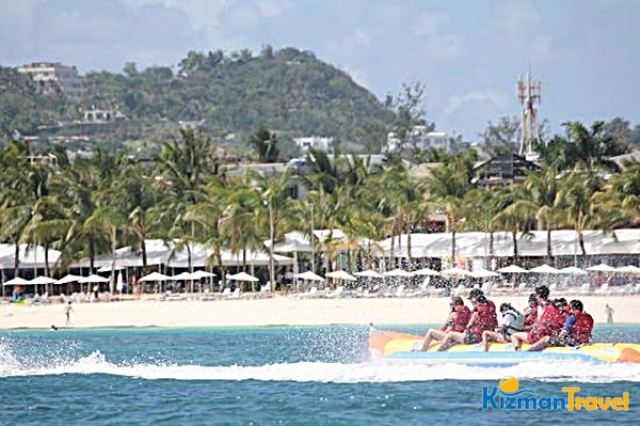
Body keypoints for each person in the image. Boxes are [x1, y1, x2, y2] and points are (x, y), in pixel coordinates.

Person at [511, 285, 565, 351]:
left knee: (514, 335)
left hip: (536, 336)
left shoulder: (539, 306)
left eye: (536, 294)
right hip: (543, 334)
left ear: (538, 295)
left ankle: (520, 352)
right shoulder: (550, 305)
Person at [527, 300, 594, 351]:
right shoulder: (588, 317)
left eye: (570, 308)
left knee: (546, 339)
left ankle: (529, 351)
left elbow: (562, 335)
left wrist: (557, 336)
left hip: (573, 342)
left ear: (573, 308)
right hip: (585, 341)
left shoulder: (571, 317)